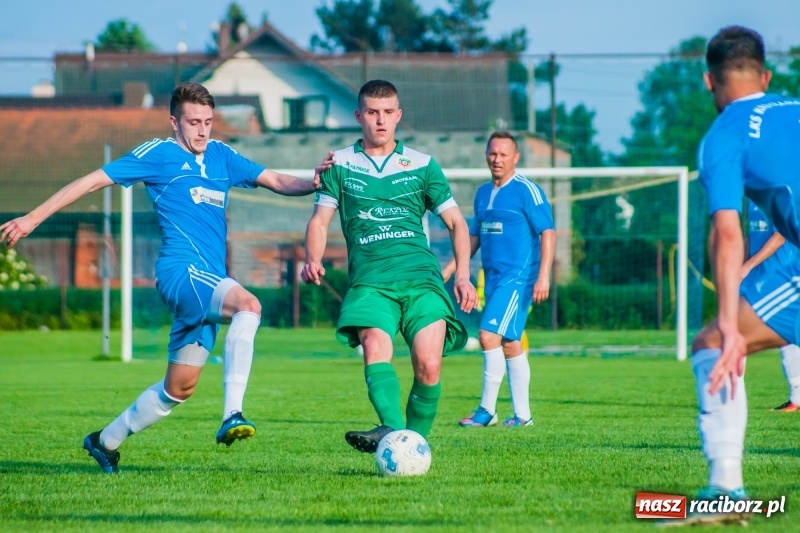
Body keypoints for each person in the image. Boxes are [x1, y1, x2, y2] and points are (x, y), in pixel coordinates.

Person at [0, 82, 334, 473]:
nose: (203, 131)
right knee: (249, 305)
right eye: (194, 122)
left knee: (178, 389)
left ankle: (104, 441)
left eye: (208, 122)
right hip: (180, 272)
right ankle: (233, 414)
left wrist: (312, 182)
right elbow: (92, 181)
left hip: (209, 280)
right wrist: (32, 217)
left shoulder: (222, 156)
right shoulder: (157, 154)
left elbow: (277, 181)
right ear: (174, 121)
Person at [300, 79, 477, 453]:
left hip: (421, 281)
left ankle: (412, 444)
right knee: (374, 347)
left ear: (398, 116)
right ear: (359, 116)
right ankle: (393, 432)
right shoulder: (340, 165)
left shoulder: (423, 166)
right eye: (372, 113)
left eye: (387, 113)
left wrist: (462, 275)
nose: (380, 121)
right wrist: (313, 258)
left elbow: (458, 224)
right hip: (370, 283)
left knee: (429, 365)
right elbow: (319, 221)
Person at [684, 25, 800, 520]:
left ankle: (726, 491)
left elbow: (727, 234)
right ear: (767, 76)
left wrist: (729, 323)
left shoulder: (725, 135)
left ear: (709, 82)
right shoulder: (794, 107)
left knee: (714, 344)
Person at [442, 131, 555, 428]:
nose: (497, 159)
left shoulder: (527, 191)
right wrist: (452, 267)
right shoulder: (482, 194)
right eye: (493, 153)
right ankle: (523, 416)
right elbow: (473, 237)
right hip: (493, 278)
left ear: (515, 158)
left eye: (504, 154)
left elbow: (548, 232)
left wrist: (544, 276)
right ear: (486, 155)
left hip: (518, 278)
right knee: (509, 342)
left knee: (487, 335)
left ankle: (486, 411)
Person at [742, 200, 800, 412]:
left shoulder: (781, 193)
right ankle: (730, 395)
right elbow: (752, 234)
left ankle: (797, 396)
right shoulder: (752, 196)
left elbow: (779, 236)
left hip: (777, 270)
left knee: (786, 333)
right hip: (754, 272)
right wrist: (739, 262)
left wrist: (748, 265)